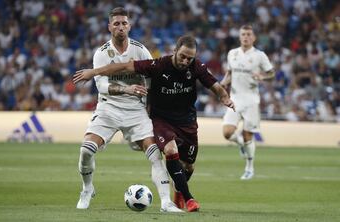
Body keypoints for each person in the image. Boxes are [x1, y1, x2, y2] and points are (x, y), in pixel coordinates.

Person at [73, 35, 235, 212]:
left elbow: (215, 85)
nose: (185, 61)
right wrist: (93, 72)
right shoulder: (158, 65)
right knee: (169, 151)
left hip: (186, 121)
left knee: (188, 166)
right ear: (175, 51)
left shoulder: (196, 67)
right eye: (182, 56)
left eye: (190, 58)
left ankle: (178, 192)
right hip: (161, 119)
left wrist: (225, 97)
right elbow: (125, 66)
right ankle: (182, 200)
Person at [75, 7, 182, 213]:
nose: (121, 27)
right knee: (86, 150)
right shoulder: (102, 53)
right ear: (109, 27)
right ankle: (87, 189)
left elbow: (152, 79)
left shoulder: (140, 50)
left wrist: (151, 107)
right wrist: (127, 88)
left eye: (124, 23)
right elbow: (102, 86)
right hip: (108, 108)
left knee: (154, 155)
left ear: (129, 26)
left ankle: (166, 202)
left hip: (136, 110)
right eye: (116, 23)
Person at [220, 24, 274, 180]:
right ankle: (241, 144)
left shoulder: (259, 55)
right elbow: (230, 73)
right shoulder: (232, 54)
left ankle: (249, 167)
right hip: (235, 99)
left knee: (248, 135)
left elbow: (272, 73)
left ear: (254, 37)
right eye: (243, 34)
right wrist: (222, 84)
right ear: (239, 36)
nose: (246, 37)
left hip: (251, 100)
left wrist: (262, 77)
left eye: (249, 34)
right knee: (227, 133)